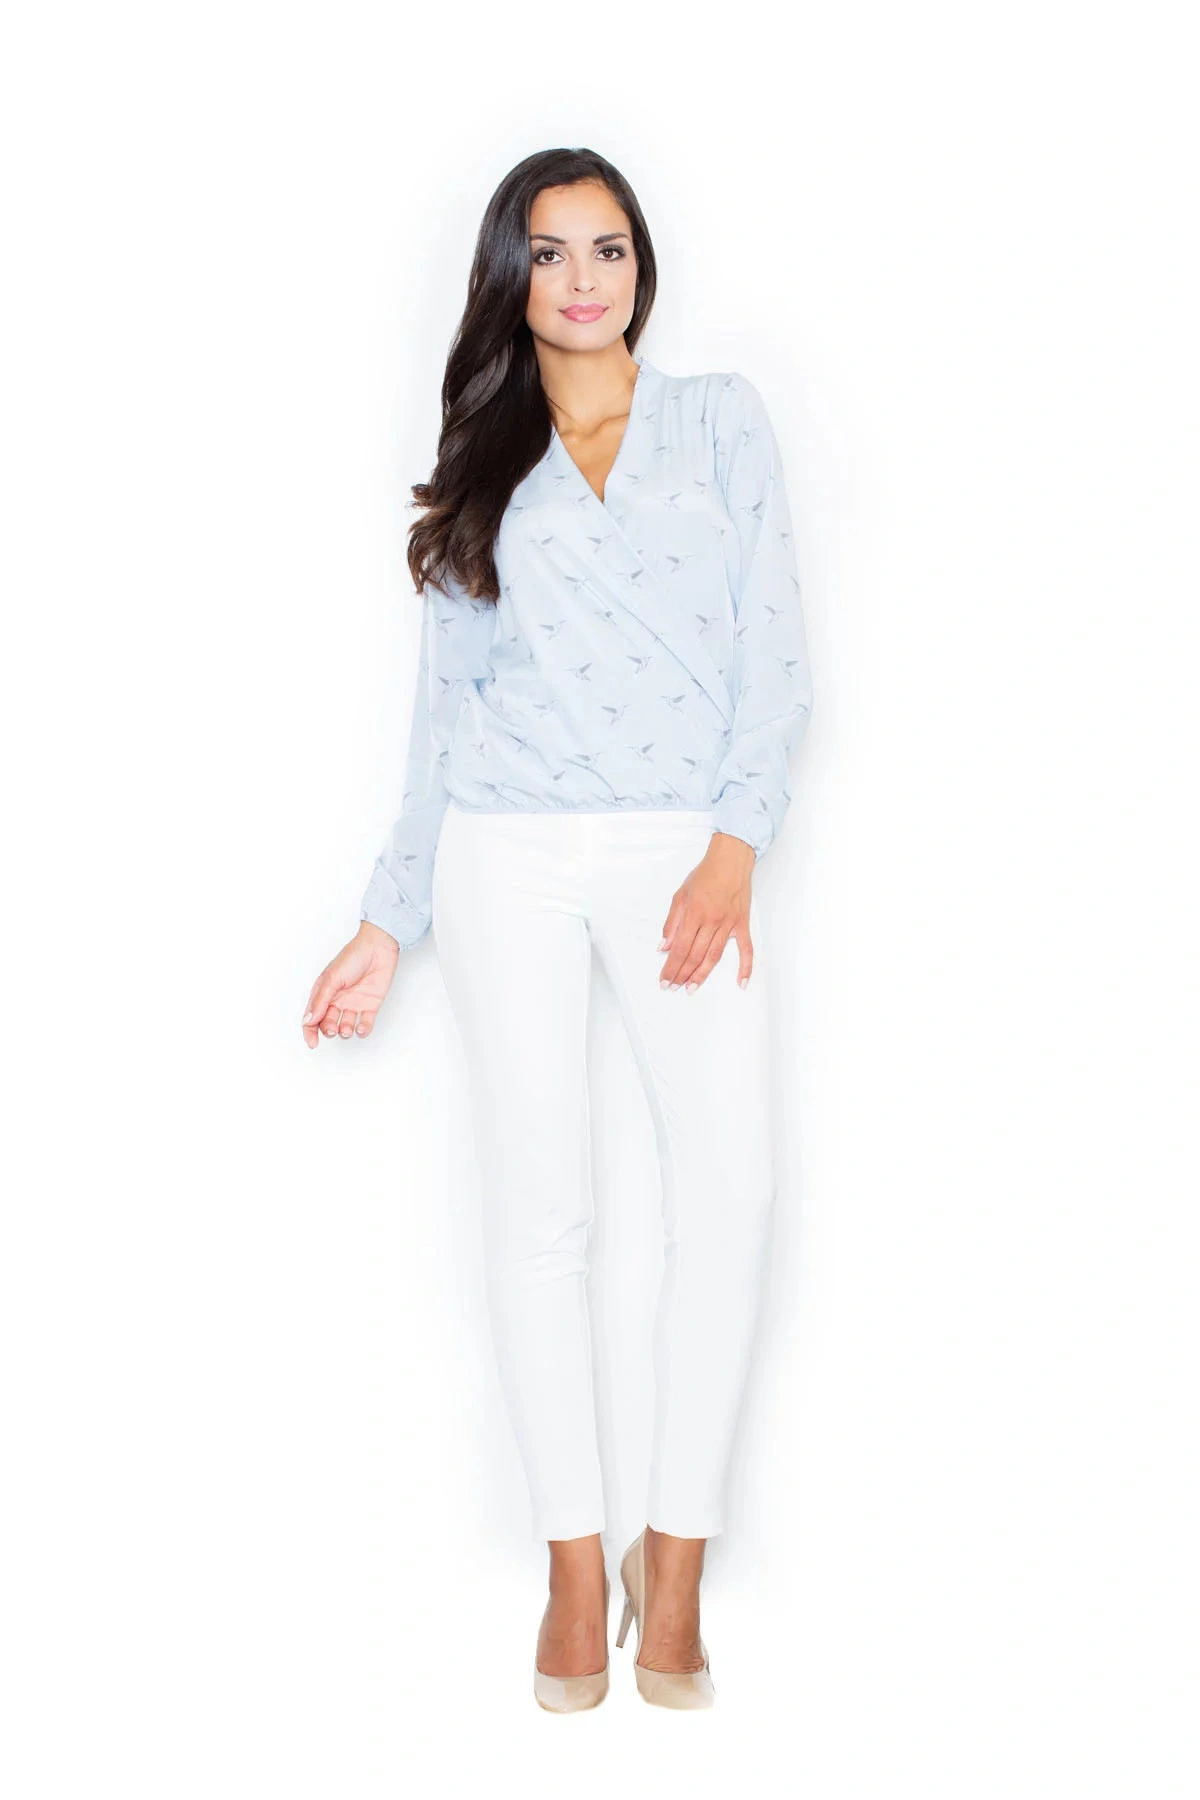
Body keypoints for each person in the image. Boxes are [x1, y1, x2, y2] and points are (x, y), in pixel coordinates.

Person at [301, 147, 813, 1712]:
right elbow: (443, 709)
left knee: (729, 1197)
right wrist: (388, 918)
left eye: (608, 248)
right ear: (510, 277)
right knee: (544, 1213)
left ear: (642, 266)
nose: (584, 278)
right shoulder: (486, 454)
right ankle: (576, 1565)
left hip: (681, 851)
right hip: (504, 853)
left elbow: (778, 653)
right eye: (550, 252)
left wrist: (732, 850)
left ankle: (679, 1563)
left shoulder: (719, 423)